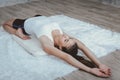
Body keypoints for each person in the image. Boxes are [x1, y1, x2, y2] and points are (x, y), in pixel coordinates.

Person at [2, 15, 111, 77]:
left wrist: (90, 70)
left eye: (66, 40)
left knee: (5, 24)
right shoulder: (63, 35)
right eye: (69, 39)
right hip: (40, 16)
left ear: (59, 47)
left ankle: (17, 32)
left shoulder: (47, 42)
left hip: (25, 23)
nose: (67, 36)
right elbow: (83, 47)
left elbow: (66, 57)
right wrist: (99, 64)